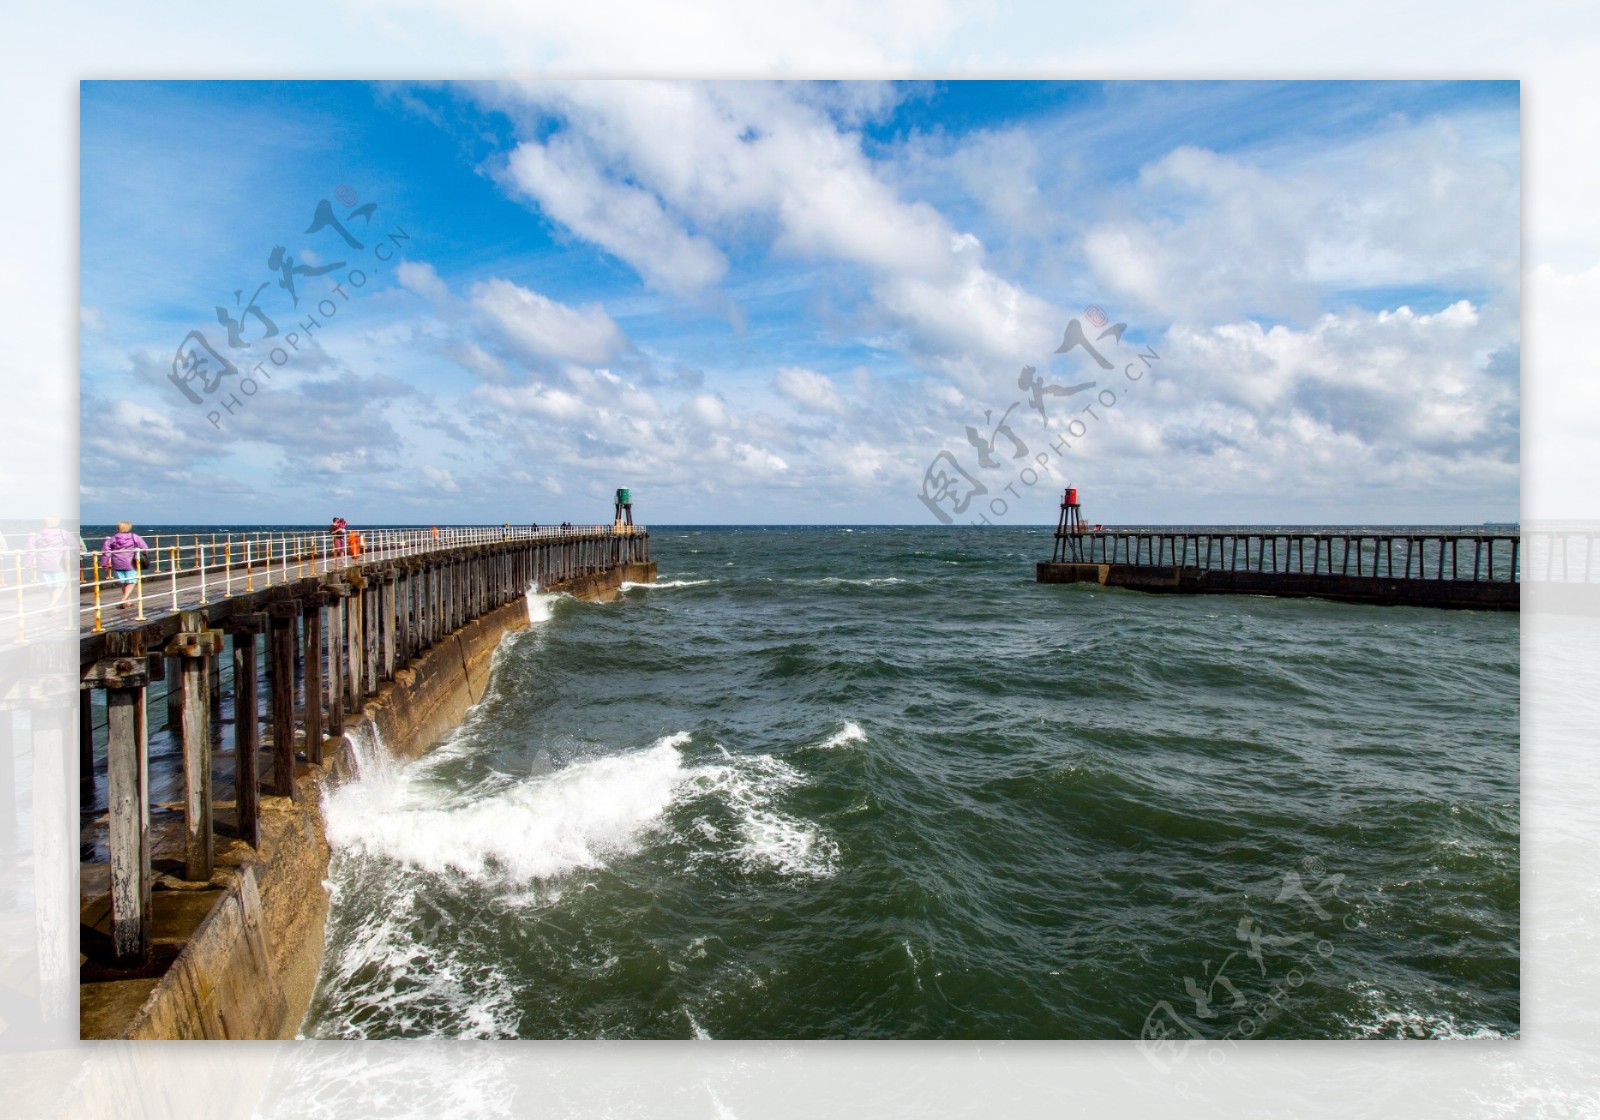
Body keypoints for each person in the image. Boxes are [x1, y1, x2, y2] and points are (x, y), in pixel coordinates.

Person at [27, 516, 75, 610]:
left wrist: (28, 564)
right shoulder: (63, 533)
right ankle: (51, 605)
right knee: (61, 584)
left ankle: (55, 608)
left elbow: (30, 549)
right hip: (57, 563)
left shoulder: (38, 534)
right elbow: (74, 544)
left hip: (42, 562)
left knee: (50, 585)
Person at [101, 521, 149, 610]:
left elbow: (106, 551)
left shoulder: (113, 538)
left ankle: (128, 601)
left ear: (118, 528)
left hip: (117, 563)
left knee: (124, 582)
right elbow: (144, 548)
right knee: (131, 582)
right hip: (130, 562)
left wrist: (104, 563)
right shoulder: (134, 537)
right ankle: (123, 599)